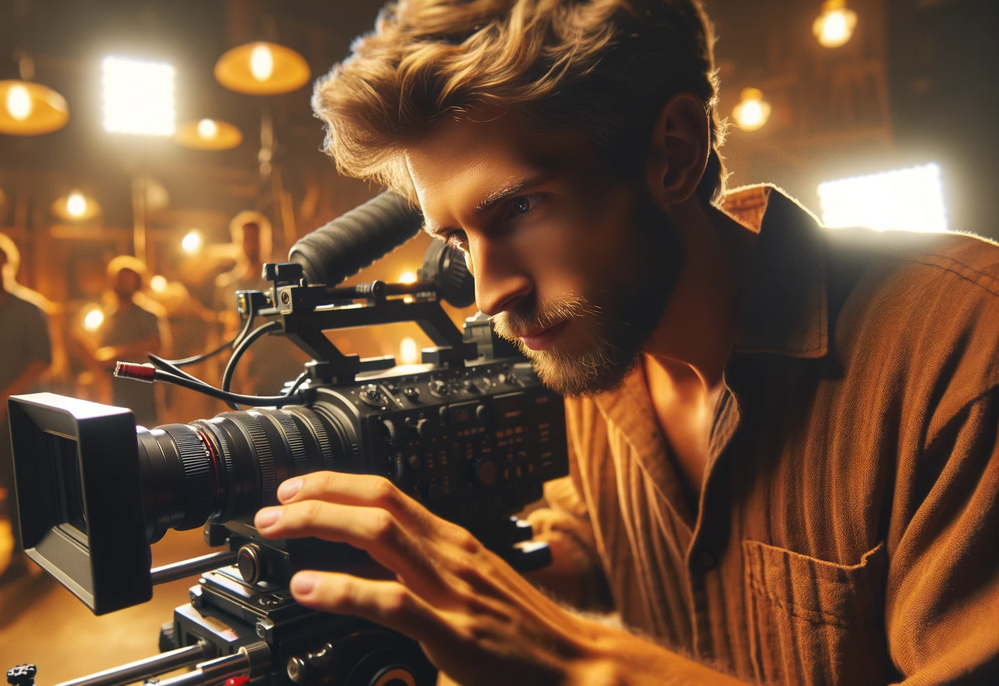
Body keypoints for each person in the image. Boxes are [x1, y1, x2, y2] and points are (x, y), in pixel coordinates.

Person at [245, 1, 999, 684]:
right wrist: (517, 574)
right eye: (456, 239)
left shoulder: (963, 352)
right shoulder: (587, 352)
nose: (488, 292)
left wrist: (582, 665)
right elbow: (587, 523)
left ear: (673, 152)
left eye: (519, 208)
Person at [0, 231, 53, 590]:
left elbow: (42, 360)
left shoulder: (31, 308)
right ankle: (19, 557)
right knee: (9, 486)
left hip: (28, 414)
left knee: (37, 484)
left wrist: (7, 395)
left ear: (10, 265)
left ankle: (52, 557)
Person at [214, 211, 306, 395]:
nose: (250, 244)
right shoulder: (226, 285)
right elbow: (224, 328)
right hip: (244, 367)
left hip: (279, 364)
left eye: (255, 238)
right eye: (245, 238)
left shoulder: (281, 281)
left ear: (266, 241)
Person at [91, 256, 170, 426]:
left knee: (147, 434)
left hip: (142, 388)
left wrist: (116, 352)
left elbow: (154, 345)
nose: (122, 284)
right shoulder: (109, 316)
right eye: (119, 280)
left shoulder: (148, 314)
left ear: (137, 283)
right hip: (116, 389)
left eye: (127, 280)